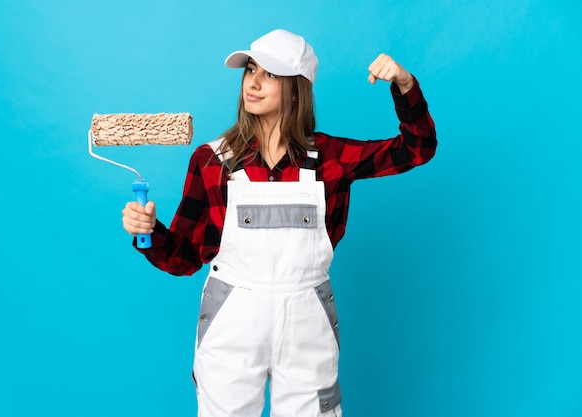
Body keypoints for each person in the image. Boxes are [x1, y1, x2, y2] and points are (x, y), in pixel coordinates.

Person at [121, 29, 436, 417]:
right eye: (250, 69)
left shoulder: (331, 158)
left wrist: (405, 86)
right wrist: (149, 233)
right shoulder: (211, 161)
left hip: (307, 318)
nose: (253, 81)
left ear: (295, 88)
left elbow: (417, 148)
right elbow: (185, 257)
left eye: (269, 73)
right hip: (232, 319)